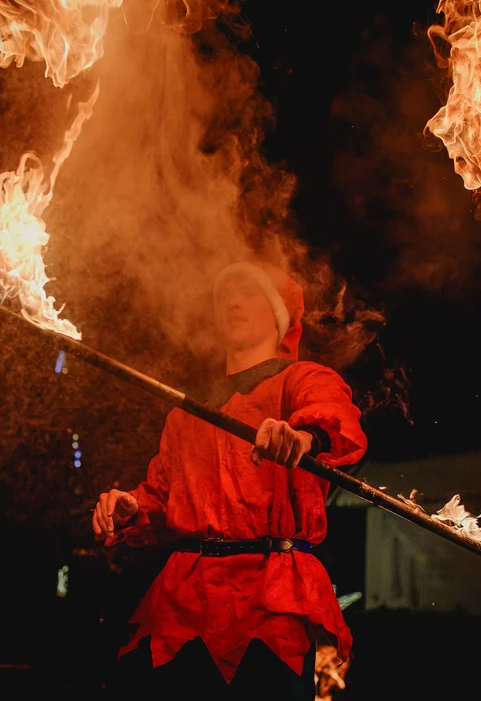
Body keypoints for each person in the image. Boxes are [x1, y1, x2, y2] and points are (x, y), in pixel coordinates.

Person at [93, 261, 368, 699]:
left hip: (268, 598)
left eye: (249, 294)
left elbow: (334, 420)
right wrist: (131, 508)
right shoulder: (186, 413)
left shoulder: (303, 379)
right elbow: (162, 498)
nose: (233, 302)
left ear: (278, 314)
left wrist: (301, 436)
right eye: (225, 296)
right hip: (185, 602)